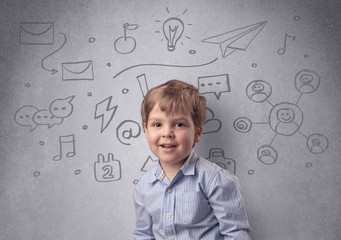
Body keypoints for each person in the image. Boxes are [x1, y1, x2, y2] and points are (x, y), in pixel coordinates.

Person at [133, 80, 251, 239]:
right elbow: (143, 234)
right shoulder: (143, 187)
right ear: (146, 132)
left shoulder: (215, 180)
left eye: (179, 124)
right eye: (157, 124)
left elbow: (236, 234)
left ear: (197, 133)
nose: (167, 133)